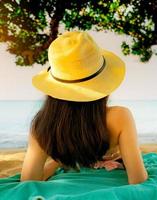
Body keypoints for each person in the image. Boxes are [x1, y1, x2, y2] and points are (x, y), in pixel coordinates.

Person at [20, 31, 148, 185]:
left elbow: (28, 182)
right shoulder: (120, 116)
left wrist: (60, 161)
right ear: (103, 81)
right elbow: (138, 181)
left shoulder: (42, 123)